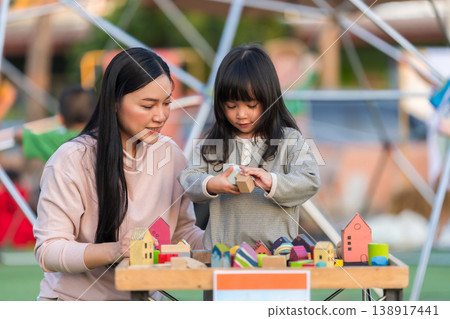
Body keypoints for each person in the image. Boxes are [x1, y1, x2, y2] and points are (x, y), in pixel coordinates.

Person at [34, 47, 204, 301]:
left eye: (167, 103)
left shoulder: (171, 156)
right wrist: (114, 250)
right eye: (148, 105)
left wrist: (234, 235)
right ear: (114, 102)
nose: (161, 116)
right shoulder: (71, 160)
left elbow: (182, 235)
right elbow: (48, 250)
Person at [179, 44, 320, 250]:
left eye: (251, 105)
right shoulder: (213, 143)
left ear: (269, 98)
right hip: (223, 255)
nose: (241, 114)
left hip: (277, 254)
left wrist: (272, 181)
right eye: (231, 106)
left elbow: (310, 180)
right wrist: (211, 184)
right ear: (220, 104)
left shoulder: (288, 139)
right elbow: (188, 178)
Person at [16, 85, 96, 162]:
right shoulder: (97, 137)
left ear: (61, 118)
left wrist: (54, 122)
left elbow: (19, 135)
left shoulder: (58, 140)